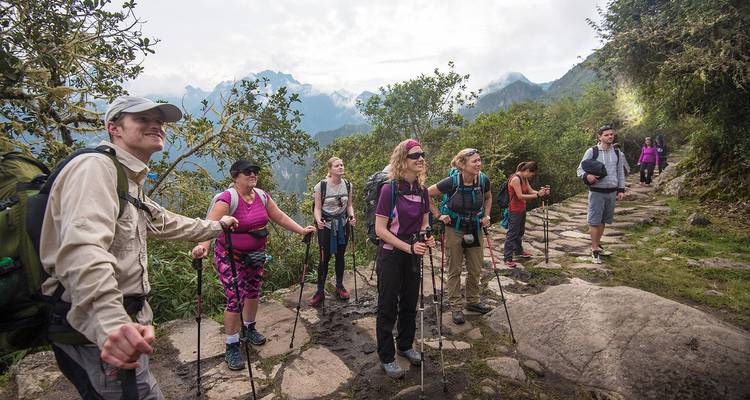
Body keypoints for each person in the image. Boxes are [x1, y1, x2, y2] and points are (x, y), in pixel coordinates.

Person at [39, 96, 239, 399]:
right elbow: (83, 249)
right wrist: (112, 324)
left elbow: (165, 222)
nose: (156, 125)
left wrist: (216, 227)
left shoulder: (127, 181)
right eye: (142, 119)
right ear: (114, 128)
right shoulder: (96, 168)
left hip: (122, 324)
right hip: (99, 332)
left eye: (159, 120)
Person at [194, 160, 315, 370]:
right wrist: (202, 247)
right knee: (236, 298)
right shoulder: (227, 199)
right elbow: (210, 227)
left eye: (255, 171)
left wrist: (301, 230)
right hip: (230, 256)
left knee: (253, 292)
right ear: (235, 176)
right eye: (247, 171)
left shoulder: (261, 196)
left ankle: (249, 328)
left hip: (256, 254)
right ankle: (232, 344)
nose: (253, 174)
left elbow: (279, 216)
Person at [374, 139, 435, 379]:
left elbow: (425, 222)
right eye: (414, 156)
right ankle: (387, 357)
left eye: (422, 154)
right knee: (387, 305)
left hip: (413, 251)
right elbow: (381, 229)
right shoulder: (389, 189)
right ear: (403, 160)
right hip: (391, 254)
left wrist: (426, 237)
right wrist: (409, 247)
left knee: (410, 302)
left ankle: (406, 345)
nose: (420, 159)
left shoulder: (421, 190)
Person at [428, 148, 493, 325]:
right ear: (462, 164)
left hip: (475, 227)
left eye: (479, 160)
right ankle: (456, 307)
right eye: (474, 161)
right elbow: (427, 194)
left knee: (475, 267)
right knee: (454, 269)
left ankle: (473, 301)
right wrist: (438, 216)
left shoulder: (482, 179)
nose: (479, 164)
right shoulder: (451, 182)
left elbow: (488, 197)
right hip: (454, 228)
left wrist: (487, 215)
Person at [309, 156, 356, 307]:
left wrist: (351, 216)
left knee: (340, 256)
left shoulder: (348, 185)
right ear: (330, 169)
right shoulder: (321, 186)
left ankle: (339, 285)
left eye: (342, 165)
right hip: (326, 226)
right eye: (337, 166)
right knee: (324, 258)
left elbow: (349, 205)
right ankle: (320, 290)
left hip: (342, 225)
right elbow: (317, 207)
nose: (341, 167)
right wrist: (318, 221)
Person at [577, 124, 626, 265]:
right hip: (597, 191)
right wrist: (587, 176)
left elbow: (620, 172)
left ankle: (597, 244)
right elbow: (579, 170)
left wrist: (621, 189)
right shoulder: (592, 152)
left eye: (611, 134)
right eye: (606, 135)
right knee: (594, 220)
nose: (610, 136)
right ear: (599, 137)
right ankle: (594, 249)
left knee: (604, 220)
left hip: (611, 192)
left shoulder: (617, 153)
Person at [502, 161, 550, 268]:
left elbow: (529, 190)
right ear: (527, 171)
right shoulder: (515, 179)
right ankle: (507, 258)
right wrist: (537, 195)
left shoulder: (524, 178)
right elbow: (520, 196)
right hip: (514, 210)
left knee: (520, 231)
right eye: (532, 174)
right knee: (512, 234)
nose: (532, 176)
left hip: (521, 209)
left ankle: (518, 251)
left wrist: (540, 192)